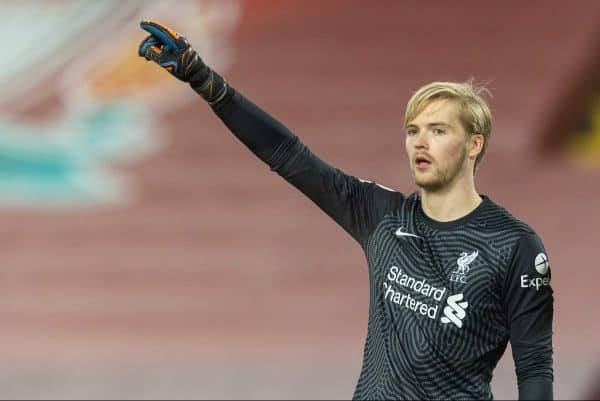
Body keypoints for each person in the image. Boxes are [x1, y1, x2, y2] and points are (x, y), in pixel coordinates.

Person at [137, 20, 554, 400]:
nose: (419, 142)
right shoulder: (381, 214)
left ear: (474, 144)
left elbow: (534, 370)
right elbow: (289, 156)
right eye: (413, 131)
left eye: (438, 131)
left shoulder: (513, 245)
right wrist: (206, 83)